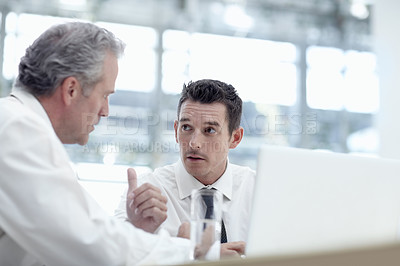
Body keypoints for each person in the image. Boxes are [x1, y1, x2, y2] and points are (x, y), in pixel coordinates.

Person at [0, 21, 192, 266]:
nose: (106, 111)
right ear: (71, 90)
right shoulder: (17, 129)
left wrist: (137, 230)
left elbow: (72, 236)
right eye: (105, 95)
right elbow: (85, 242)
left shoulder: (19, 126)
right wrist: (188, 252)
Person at [115, 79, 256, 257]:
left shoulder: (259, 191)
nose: (194, 143)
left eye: (210, 130)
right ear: (176, 131)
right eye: (186, 127)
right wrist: (178, 250)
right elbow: (113, 255)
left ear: (235, 138)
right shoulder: (147, 192)